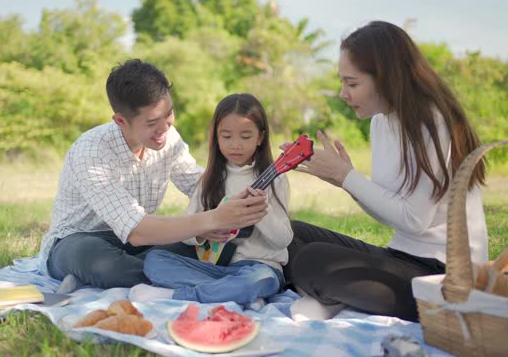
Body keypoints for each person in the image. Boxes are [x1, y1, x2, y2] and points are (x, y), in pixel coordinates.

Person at [284, 21, 488, 322]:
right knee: (286, 233)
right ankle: (335, 296)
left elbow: (414, 220)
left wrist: (347, 177)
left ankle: (331, 296)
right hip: (401, 259)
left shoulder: (433, 123)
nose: (343, 93)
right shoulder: (381, 122)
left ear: (387, 79)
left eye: (352, 84)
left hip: (442, 279)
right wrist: (346, 182)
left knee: (312, 261)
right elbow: (390, 213)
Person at [38, 60, 268, 291]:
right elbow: (137, 230)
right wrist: (211, 219)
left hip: (141, 244)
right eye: (151, 122)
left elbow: (200, 185)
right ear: (121, 121)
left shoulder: (168, 138)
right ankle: (205, 280)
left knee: (221, 243)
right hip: (80, 241)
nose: (163, 129)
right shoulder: (90, 152)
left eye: (168, 114)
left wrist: (244, 197)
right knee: (103, 264)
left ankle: (164, 274)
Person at [128, 93, 293, 309]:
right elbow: (188, 232)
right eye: (226, 136)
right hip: (215, 268)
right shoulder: (208, 179)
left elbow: (282, 241)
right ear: (216, 137)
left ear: (260, 138)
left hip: (260, 266)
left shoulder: (275, 179)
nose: (235, 145)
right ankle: (237, 294)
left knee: (260, 280)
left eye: (245, 136)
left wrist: (262, 212)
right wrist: (202, 232)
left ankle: (178, 296)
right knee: (155, 261)